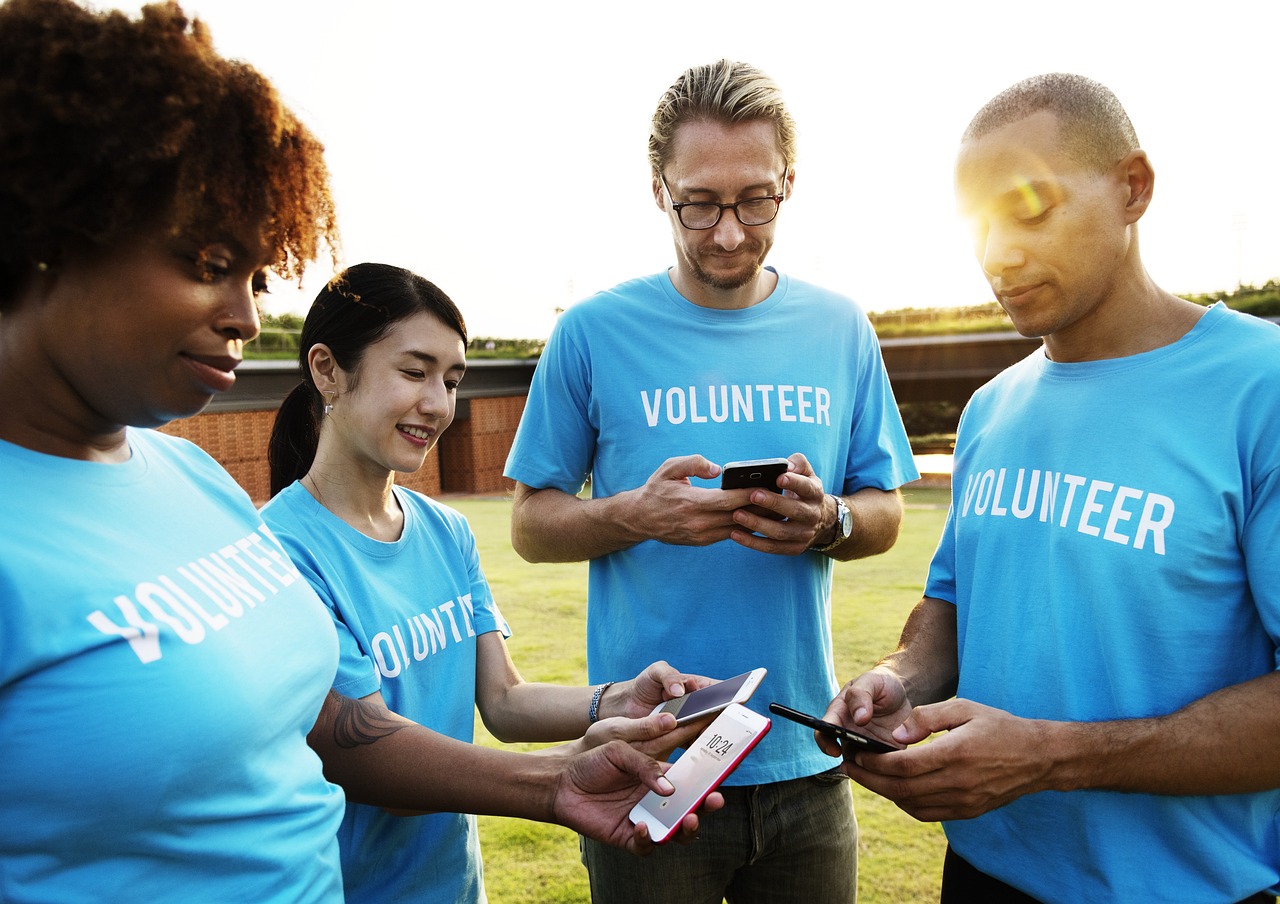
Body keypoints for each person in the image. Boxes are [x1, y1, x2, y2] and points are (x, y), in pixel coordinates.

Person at [0, 3, 716, 901]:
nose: (246, 317)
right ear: (46, 230)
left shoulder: (191, 479)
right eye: (205, 259)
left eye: (255, 277)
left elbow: (333, 726)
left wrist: (581, 745)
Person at [821, 73, 1280, 903]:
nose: (999, 254)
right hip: (981, 878)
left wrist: (1052, 756)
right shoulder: (991, 409)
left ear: (1133, 188)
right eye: (979, 225)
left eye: (1030, 209)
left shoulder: (1262, 388)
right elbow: (951, 612)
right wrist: (903, 677)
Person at [504, 59, 919, 902]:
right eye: (699, 203)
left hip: (807, 756)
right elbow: (530, 524)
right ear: (659, 190)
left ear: (789, 184)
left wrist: (831, 520)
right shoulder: (591, 332)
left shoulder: (840, 327)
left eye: (755, 199)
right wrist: (634, 514)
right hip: (650, 758)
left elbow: (886, 510)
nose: (728, 232)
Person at [262, 261, 713, 903]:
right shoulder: (280, 551)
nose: (439, 405)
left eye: (451, 380)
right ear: (327, 369)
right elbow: (360, 748)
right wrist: (556, 778)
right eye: (414, 372)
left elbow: (502, 701)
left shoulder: (447, 532)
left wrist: (615, 700)